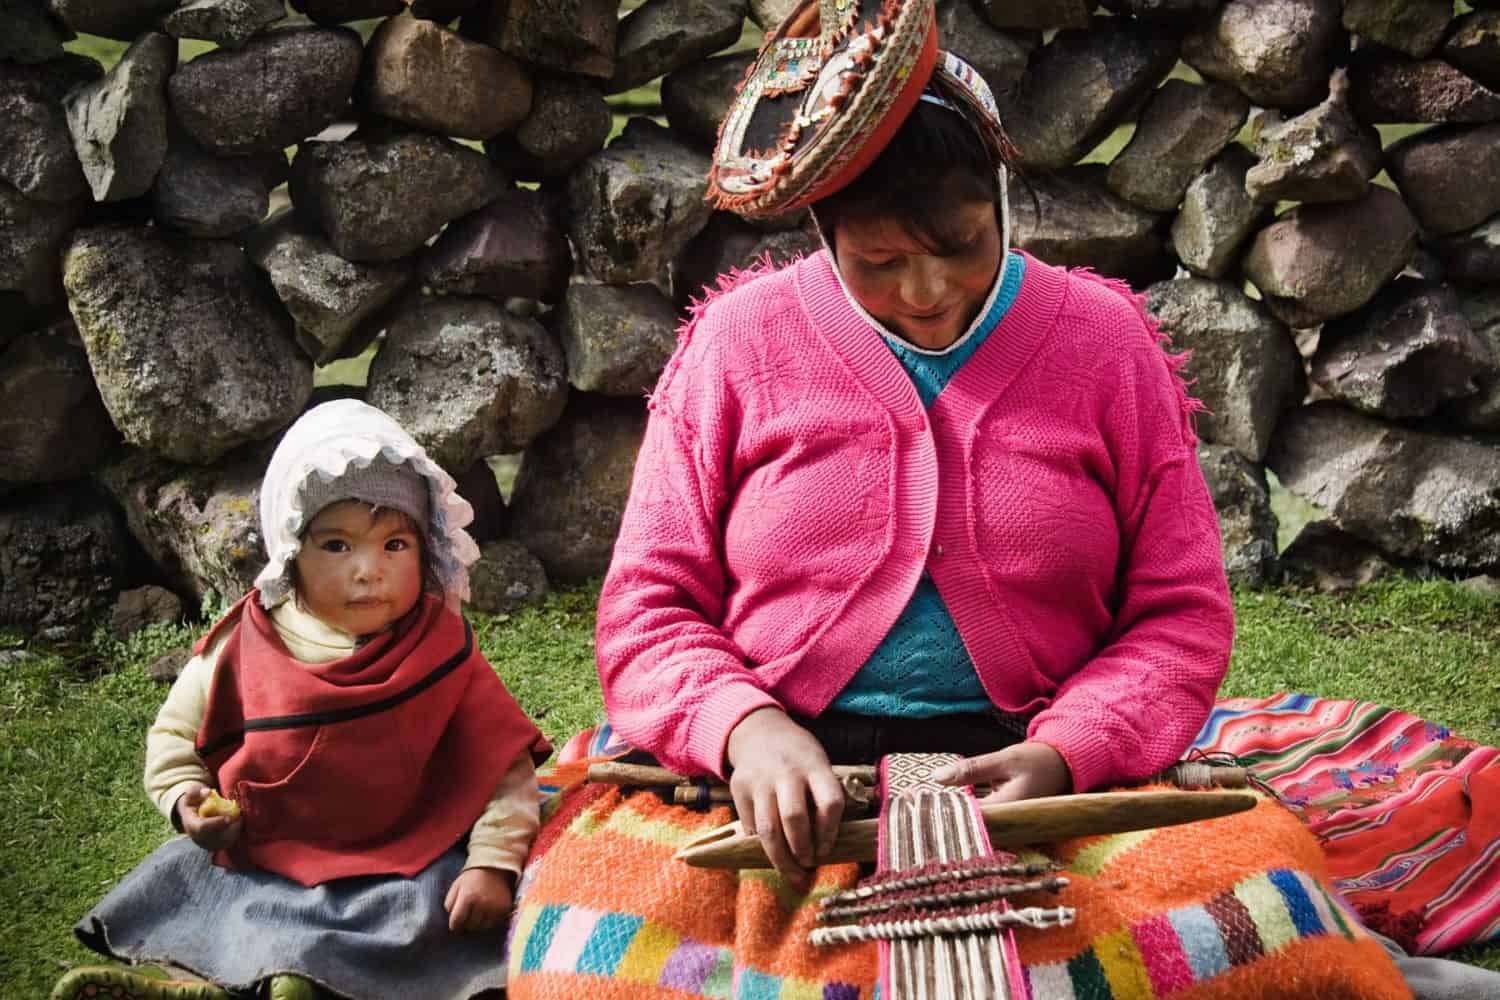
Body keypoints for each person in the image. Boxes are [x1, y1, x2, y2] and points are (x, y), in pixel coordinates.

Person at [504, 2, 1417, 998]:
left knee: (1276, 938)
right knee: (585, 965)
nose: (929, 287)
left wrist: (1069, 753)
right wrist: (746, 729)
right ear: (823, 227)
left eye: (963, 242)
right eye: (880, 260)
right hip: (769, 795)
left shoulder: (1105, 345)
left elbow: (1178, 616)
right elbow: (647, 613)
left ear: (1002, 202)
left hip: (1052, 793)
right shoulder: (738, 347)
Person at [53, 400, 550, 1000]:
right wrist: (188, 801)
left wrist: (490, 864)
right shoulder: (245, 645)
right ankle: (196, 986)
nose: (369, 571)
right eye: (337, 546)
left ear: (426, 548)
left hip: (403, 859)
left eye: (395, 545)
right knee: (233, 912)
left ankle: (289, 984)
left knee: (419, 923)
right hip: (268, 862)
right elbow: (174, 738)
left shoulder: (440, 649)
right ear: (291, 552)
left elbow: (502, 766)